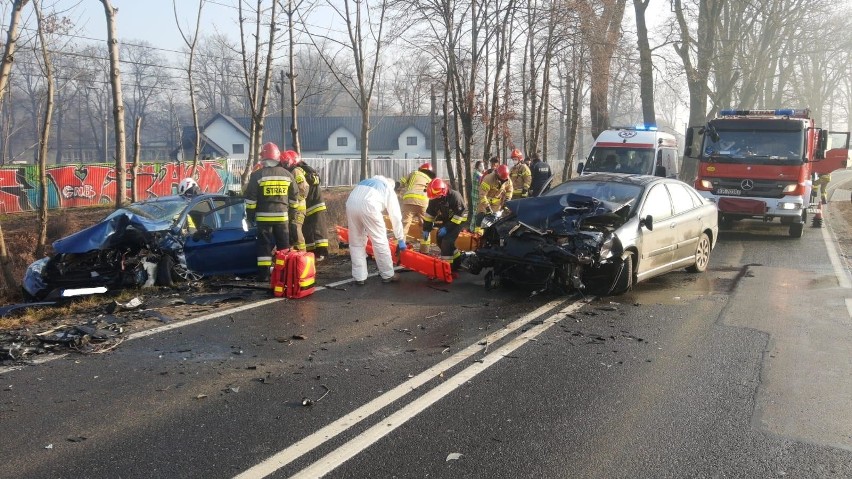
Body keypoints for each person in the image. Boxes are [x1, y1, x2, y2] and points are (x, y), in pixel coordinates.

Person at [244, 142, 297, 282]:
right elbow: (294, 198)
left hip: (263, 219)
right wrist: (292, 217)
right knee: (283, 247)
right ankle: (285, 275)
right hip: (282, 218)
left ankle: (264, 275)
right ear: (277, 157)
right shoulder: (287, 175)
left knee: (264, 248)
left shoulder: (257, 176)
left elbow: (250, 200)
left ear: (264, 158)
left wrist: (250, 217)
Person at [345, 175, 407, 285]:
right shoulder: (388, 188)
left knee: (356, 243)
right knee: (379, 241)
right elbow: (396, 216)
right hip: (370, 206)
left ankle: (359, 277)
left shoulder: (365, 181)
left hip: (351, 204)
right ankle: (388, 274)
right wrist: (400, 238)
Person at [422, 178, 468, 271]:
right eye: (434, 197)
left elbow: (460, 214)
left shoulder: (455, 196)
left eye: (437, 197)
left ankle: (447, 268)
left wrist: (447, 228)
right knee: (439, 239)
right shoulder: (435, 198)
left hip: (458, 221)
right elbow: (429, 215)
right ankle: (457, 261)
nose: (435, 199)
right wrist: (426, 228)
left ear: (444, 192)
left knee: (447, 241)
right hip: (447, 221)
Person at [297, 155, 330, 261]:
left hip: (312, 203)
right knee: (311, 229)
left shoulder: (299, 171)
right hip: (313, 202)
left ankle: (321, 252)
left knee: (317, 229)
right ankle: (315, 252)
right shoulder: (308, 169)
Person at [399, 162, 436, 242]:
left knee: (404, 225)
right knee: (425, 227)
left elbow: (402, 181)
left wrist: (399, 189)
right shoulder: (430, 180)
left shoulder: (415, 173)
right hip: (424, 203)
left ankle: (399, 248)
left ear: (420, 169)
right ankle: (425, 250)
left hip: (409, 200)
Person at [280, 150, 309, 251]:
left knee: (296, 230)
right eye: (283, 163)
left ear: (291, 161)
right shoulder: (288, 173)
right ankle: (293, 257)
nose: (284, 165)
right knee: (290, 233)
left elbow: (304, 189)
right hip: (291, 208)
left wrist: (295, 201)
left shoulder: (296, 171)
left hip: (299, 208)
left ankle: (303, 254)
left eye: (286, 163)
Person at [475, 164, 513, 229]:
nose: (502, 181)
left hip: (496, 206)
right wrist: (487, 208)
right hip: (484, 205)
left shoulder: (507, 179)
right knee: (480, 223)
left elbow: (510, 190)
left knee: (493, 225)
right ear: (497, 175)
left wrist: (507, 199)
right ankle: (477, 237)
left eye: (504, 180)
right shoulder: (488, 178)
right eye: (501, 180)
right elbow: (482, 194)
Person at [471, 161, 485, 228]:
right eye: (481, 166)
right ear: (477, 167)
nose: (482, 167)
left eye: (483, 165)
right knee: (475, 213)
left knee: (476, 212)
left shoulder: (478, 173)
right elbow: (482, 180)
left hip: (476, 196)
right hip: (476, 196)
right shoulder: (477, 174)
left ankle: (473, 228)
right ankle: (472, 228)